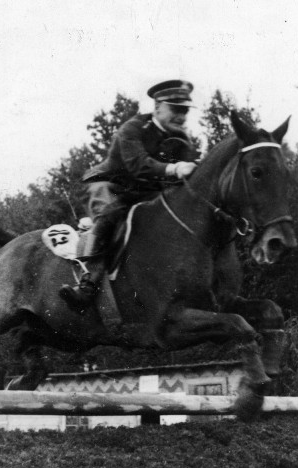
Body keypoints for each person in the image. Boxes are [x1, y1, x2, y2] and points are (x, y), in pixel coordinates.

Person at [59, 79, 200, 308]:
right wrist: (175, 168)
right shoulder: (132, 129)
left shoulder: (182, 139)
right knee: (110, 214)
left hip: (141, 191)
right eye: (175, 109)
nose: (181, 117)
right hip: (108, 184)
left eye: (184, 111)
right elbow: (139, 165)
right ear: (157, 107)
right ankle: (87, 284)